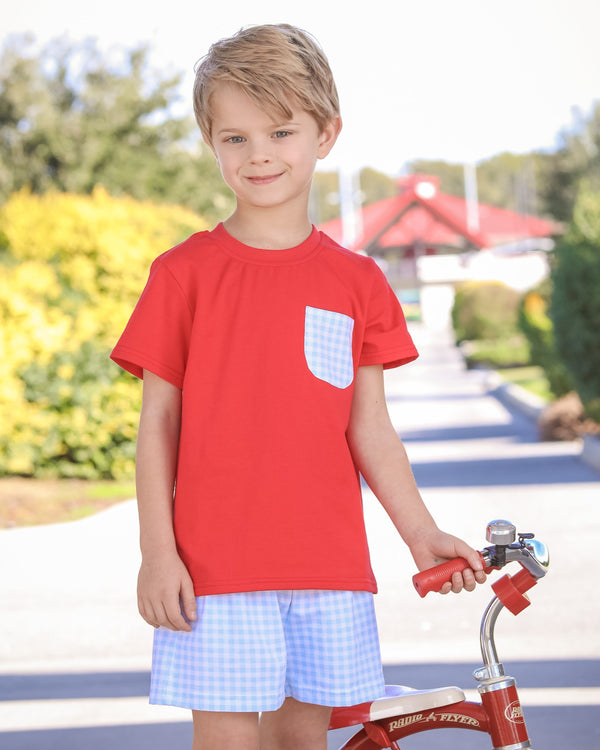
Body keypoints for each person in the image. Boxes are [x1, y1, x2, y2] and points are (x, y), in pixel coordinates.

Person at [111, 23, 486, 750]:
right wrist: (158, 552)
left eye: (281, 132)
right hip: (214, 571)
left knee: (301, 742)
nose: (259, 156)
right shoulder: (182, 274)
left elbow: (370, 429)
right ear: (210, 142)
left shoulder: (358, 282)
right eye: (235, 138)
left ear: (326, 133)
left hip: (328, 569)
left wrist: (421, 534)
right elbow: (158, 423)